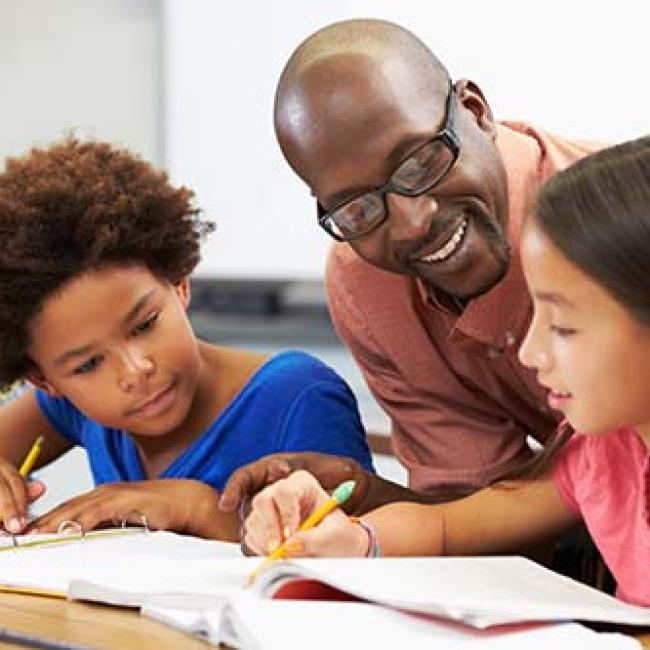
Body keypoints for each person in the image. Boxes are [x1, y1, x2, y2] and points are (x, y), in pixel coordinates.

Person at [242, 136, 650, 606]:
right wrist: (357, 540)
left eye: (562, 327)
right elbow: (445, 526)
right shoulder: (606, 455)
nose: (530, 352)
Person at [219, 18, 603, 514]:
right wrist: (366, 498)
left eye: (421, 162)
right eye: (357, 207)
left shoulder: (623, 224)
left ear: (475, 111)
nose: (412, 223)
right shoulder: (366, 285)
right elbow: (481, 516)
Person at [0, 138, 373, 539]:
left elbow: (350, 547)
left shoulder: (297, 396)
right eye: (88, 364)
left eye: (144, 325)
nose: (135, 370)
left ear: (178, 283)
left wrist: (194, 507)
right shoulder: (76, 407)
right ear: (46, 381)